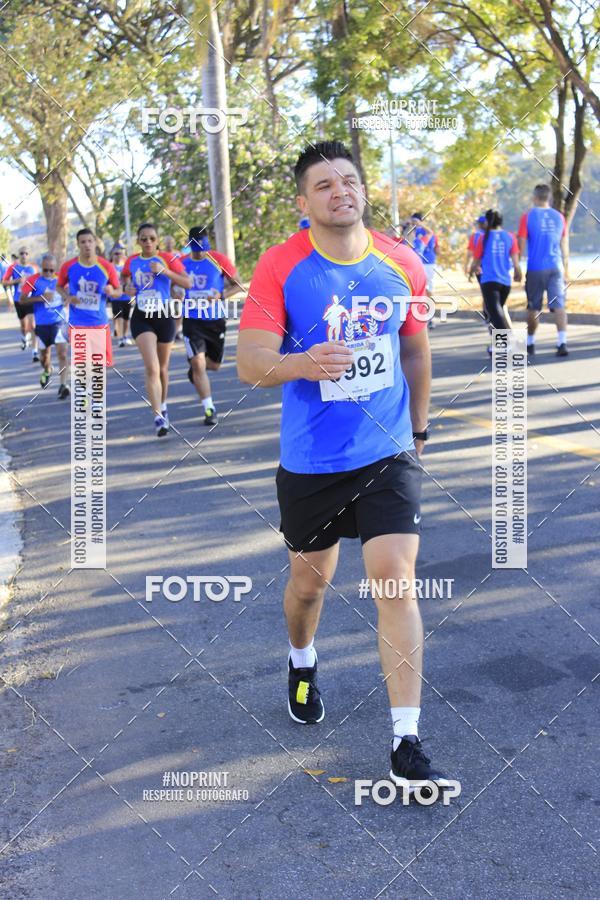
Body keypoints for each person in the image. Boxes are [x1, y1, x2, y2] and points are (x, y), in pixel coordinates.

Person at [237, 140, 450, 793]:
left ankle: (405, 741)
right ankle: (302, 660)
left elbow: (414, 350)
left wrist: (417, 430)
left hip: (387, 450)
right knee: (309, 586)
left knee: (395, 580)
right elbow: (250, 363)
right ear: (304, 203)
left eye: (349, 180)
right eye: (324, 185)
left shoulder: (401, 262)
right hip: (312, 462)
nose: (341, 191)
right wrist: (303, 363)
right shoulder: (281, 267)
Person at [121, 223, 191, 436]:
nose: (148, 242)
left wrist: (165, 271)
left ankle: (164, 406)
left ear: (157, 240)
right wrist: (127, 288)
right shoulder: (132, 261)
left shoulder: (168, 258)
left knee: (162, 369)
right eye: (144, 239)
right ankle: (158, 417)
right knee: (152, 367)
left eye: (152, 238)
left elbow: (187, 282)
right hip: (142, 317)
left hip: (164, 316)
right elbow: (125, 281)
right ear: (138, 242)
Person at [181, 226, 239, 425]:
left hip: (215, 321)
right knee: (199, 364)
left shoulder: (219, 260)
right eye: (196, 249)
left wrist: (219, 296)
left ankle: (197, 372)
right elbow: (172, 287)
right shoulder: (181, 263)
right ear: (190, 246)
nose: (200, 253)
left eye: (203, 248)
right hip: (191, 320)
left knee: (213, 365)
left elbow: (237, 285)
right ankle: (209, 409)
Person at [56, 228, 121, 367]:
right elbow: (59, 286)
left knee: (98, 369)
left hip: (99, 323)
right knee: (82, 369)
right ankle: (83, 389)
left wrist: (112, 292)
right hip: (77, 323)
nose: (87, 245)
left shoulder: (106, 266)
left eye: (90, 241)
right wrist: (68, 296)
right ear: (78, 244)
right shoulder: (69, 266)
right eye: (83, 242)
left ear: (95, 243)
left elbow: (119, 290)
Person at [517, 184, 569, 357]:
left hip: (535, 267)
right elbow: (563, 243)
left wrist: (518, 264)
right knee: (559, 304)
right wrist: (566, 269)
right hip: (556, 267)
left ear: (535, 197)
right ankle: (562, 342)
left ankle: (530, 342)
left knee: (533, 307)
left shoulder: (528, 216)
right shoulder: (559, 217)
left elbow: (522, 242)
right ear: (549, 198)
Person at [19, 254, 70, 398]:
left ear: (55, 268)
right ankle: (47, 370)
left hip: (59, 322)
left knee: (62, 353)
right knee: (44, 357)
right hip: (42, 324)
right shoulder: (33, 280)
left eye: (51, 270)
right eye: (45, 270)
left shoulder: (61, 279)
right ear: (41, 267)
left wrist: (67, 299)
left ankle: (63, 384)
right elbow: (22, 300)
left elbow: (69, 295)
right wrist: (40, 298)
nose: (48, 273)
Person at [472, 210, 522, 336]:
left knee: (495, 314)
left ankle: (509, 343)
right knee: (496, 314)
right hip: (505, 282)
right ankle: (495, 348)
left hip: (489, 282)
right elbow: (516, 260)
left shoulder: (483, 238)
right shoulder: (509, 236)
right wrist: (517, 270)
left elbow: (476, 262)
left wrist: (473, 269)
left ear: (487, 222)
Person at [2, 246, 39, 359]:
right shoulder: (14, 268)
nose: (24, 255)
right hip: (19, 300)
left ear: (28, 255)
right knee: (24, 326)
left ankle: (35, 351)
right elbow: (4, 282)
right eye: (22, 253)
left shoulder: (33, 268)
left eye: (26, 253)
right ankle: (24, 337)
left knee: (33, 325)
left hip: (30, 299)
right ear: (19, 255)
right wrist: (17, 281)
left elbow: (38, 283)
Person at [109, 244, 134, 347]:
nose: (118, 255)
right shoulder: (110, 267)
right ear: (112, 255)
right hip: (115, 296)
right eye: (115, 253)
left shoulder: (126, 267)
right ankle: (120, 338)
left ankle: (125, 336)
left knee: (126, 318)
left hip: (126, 296)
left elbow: (131, 279)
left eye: (120, 253)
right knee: (118, 316)